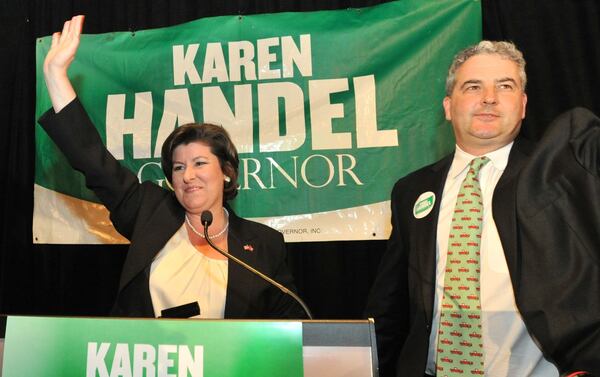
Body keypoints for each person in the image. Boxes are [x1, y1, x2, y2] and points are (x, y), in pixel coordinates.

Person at [40, 15, 306, 319]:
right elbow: (95, 164)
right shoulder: (149, 212)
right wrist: (55, 74)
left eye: (199, 163)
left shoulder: (263, 244)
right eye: (178, 168)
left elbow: (293, 323)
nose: (187, 176)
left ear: (227, 172)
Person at [365, 40, 600, 376]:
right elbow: (390, 304)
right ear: (448, 106)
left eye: (505, 86)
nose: (489, 97)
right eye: (473, 86)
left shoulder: (563, 177)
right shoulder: (411, 191)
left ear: (523, 104)